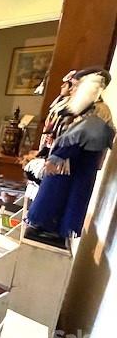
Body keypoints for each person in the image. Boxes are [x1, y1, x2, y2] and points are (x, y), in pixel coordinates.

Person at [25, 67, 115, 248]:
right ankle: (46, 226)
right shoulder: (83, 107)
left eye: (75, 86)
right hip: (66, 164)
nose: (71, 90)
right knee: (53, 194)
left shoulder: (99, 111)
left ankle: (52, 229)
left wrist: (59, 155)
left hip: (74, 166)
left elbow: (81, 137)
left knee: (62, 197)